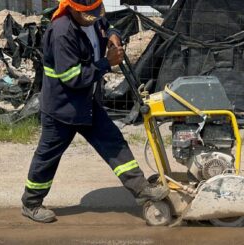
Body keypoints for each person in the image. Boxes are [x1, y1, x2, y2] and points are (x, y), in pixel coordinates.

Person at [21, 0, 169, 223]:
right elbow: (72, 78)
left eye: (94, 12)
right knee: (47, 157)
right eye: (86, 14)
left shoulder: (92, 17)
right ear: (71, 8)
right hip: (63, 109)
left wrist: (113, 36)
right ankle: (31, 203)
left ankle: (141, 190)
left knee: (114, 143)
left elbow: (106, 26)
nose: (92, 17)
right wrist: (106, 64)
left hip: (88, 103)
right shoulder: (61, 32)